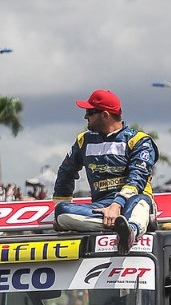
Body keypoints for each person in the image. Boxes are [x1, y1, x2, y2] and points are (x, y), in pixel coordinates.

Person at [52, 89, 158, 254]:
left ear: (105, 115)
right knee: (62, 212)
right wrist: (59, 208)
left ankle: (130, 232)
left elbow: (136, 180)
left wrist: (116, 205)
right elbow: (65, 172)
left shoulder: (139, 141)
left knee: (141, 204)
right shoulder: (84, 140)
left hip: (134, 200)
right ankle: (121, 225)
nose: (85, 116)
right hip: (100, 207)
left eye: (90, 112)